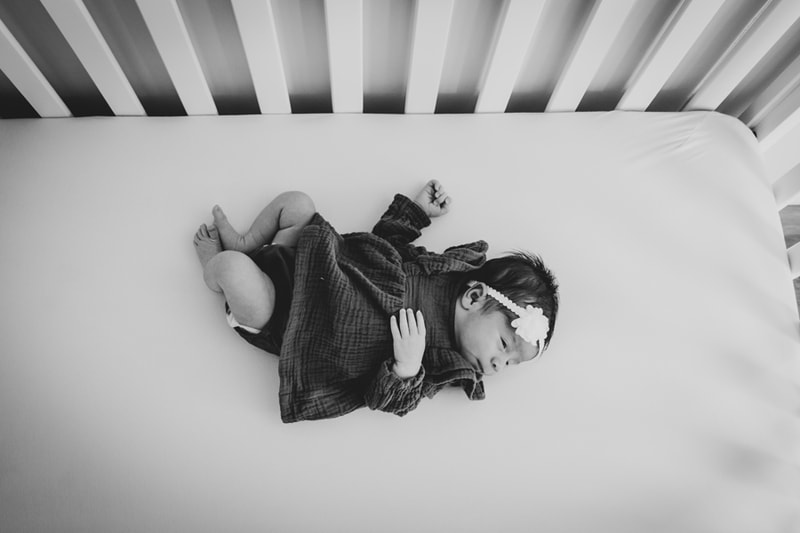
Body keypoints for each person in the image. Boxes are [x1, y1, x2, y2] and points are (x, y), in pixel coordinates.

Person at [193, 180, 559, 422]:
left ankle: (218, 263)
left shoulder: (442, 362)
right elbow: (387, 246)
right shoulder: (438, 272)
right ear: (475, 297)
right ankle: (249, 242)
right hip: (314, 263)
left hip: (289, 319)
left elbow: (390, 400)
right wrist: (415, 213)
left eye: (510, 363)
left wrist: (407, 365)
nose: (498, 364)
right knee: (296, 203)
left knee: (233, 270)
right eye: (504, 345)